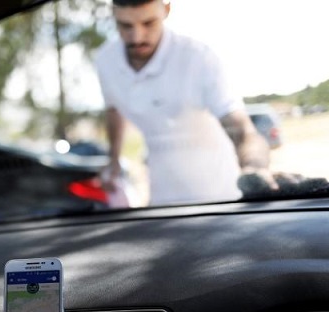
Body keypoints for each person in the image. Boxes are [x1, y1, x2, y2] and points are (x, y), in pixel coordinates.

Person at [94, 0, 278, 206]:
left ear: (166, 10)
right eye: (125, 26)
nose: (137, 37)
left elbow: (241, 128)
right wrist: (114, 160)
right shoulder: (105, 61)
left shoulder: (198, 58)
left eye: (148, 23)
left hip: (221, 196)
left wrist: (255, 168)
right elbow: (113, 109)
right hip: (161, 198)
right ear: (114, 15)